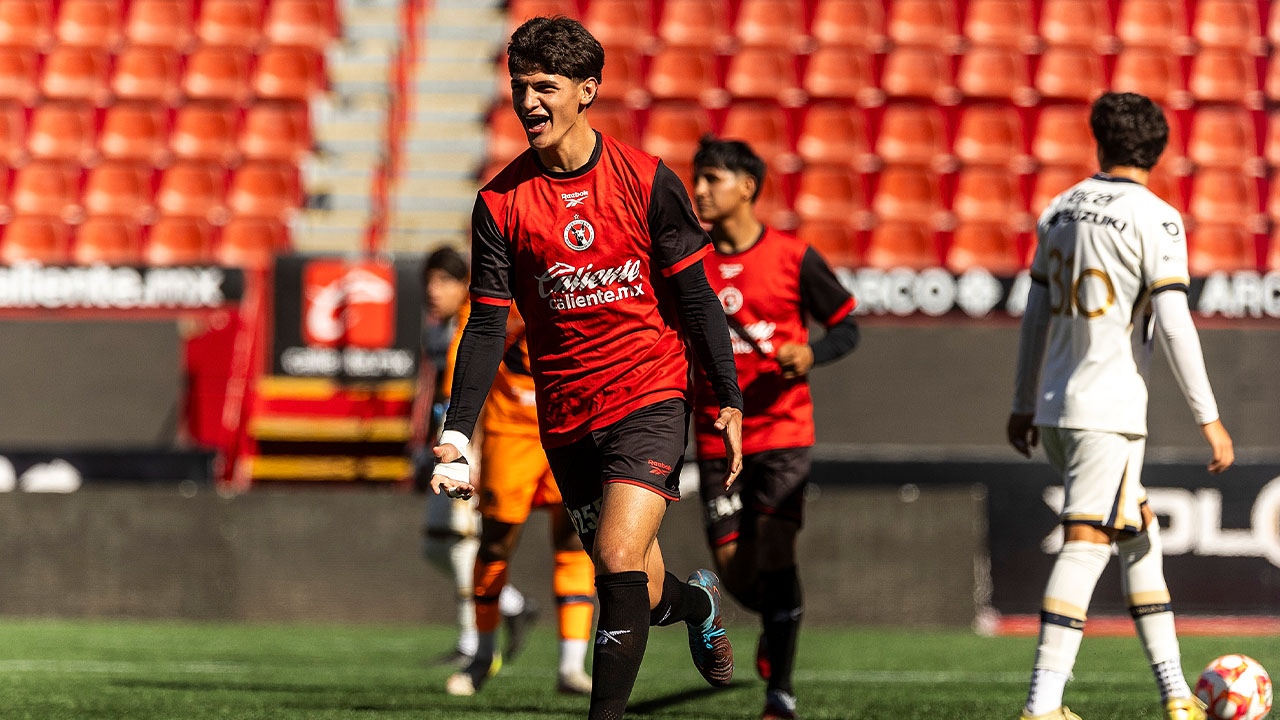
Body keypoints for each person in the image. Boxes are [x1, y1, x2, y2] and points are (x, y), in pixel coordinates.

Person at [430, 16, 745, 719]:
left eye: (546, 86)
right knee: (640, 579)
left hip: (650, 393)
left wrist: (726, 394)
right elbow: (485, 324)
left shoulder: (647, 181)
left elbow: (695, 295)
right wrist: (456, 433)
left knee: (613, 562)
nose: (530, 102)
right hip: (566, 413)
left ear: (587, 91)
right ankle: (698, 605)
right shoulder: (499, 203)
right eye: (520, 87)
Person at [1008, 92, 1234, 720]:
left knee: (1137, 537)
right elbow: (1175, 323)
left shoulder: (1060, 209)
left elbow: (1034, 316)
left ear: (1098, 140)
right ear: (1158, 150)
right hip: (1106, 413)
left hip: (1057, 407)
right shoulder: (1154, 216)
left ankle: (1176, 694)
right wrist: (1209, 417)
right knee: (1085, 543)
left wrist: (1023, 400)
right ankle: (1043, 704)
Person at [688, 137, 859, 720]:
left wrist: (811, 353)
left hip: (784, 431)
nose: (701, 190)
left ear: (747, 187)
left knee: (778, 549)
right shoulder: (688, 259)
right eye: (698, 179)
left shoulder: (793, 256)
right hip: (716, 436)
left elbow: (846, 328)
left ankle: (779, 691)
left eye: (712, 178)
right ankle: (777, 623)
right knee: (736, 571)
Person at [445, 309, 596, 697]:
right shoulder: (495, 286)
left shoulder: (581, 271)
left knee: (574, 541)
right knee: (495, 541)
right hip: (510, 429)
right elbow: (468, 368)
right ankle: (482, 656)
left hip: (573, 424)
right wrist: (463, 448)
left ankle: (571, 666)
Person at [413, 247, 536, 668]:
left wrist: (471, 451)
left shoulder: (480, 319)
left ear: (466, 283)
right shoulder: (437, 329)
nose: (433, 291)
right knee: (437, 545)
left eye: (444, 281)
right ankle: (515, 605)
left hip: (472, 443)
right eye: (428, 281)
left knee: (464, 543)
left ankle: (474, 643)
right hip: (445, 443)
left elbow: (478, 389)